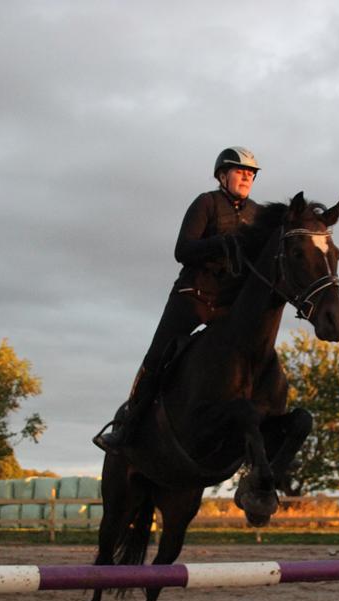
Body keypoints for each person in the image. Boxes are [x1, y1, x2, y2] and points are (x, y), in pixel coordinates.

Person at [93, 146, 262, 453]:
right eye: (241, 171)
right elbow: (182, 250)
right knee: (157, 356)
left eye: (250, 173)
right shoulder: (206, 203)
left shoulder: (257, 214)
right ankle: (127, 427)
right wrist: (222, 243)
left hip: (229, 304)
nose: (247, 177)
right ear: (223, 175)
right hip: (194, 295)